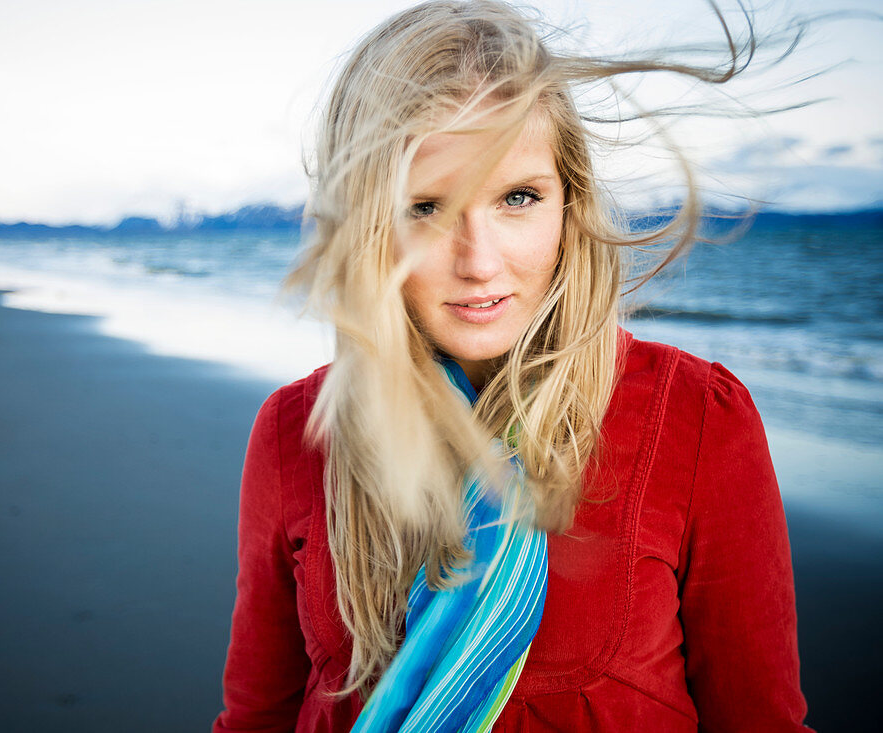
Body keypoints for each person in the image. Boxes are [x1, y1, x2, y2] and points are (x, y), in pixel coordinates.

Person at [214, 1, 810, 730]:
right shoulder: (298, 435)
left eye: (518, 198)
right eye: (425, 208)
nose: (480, 261)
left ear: (570, 202)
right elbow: (255, 717)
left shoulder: (694, 420)